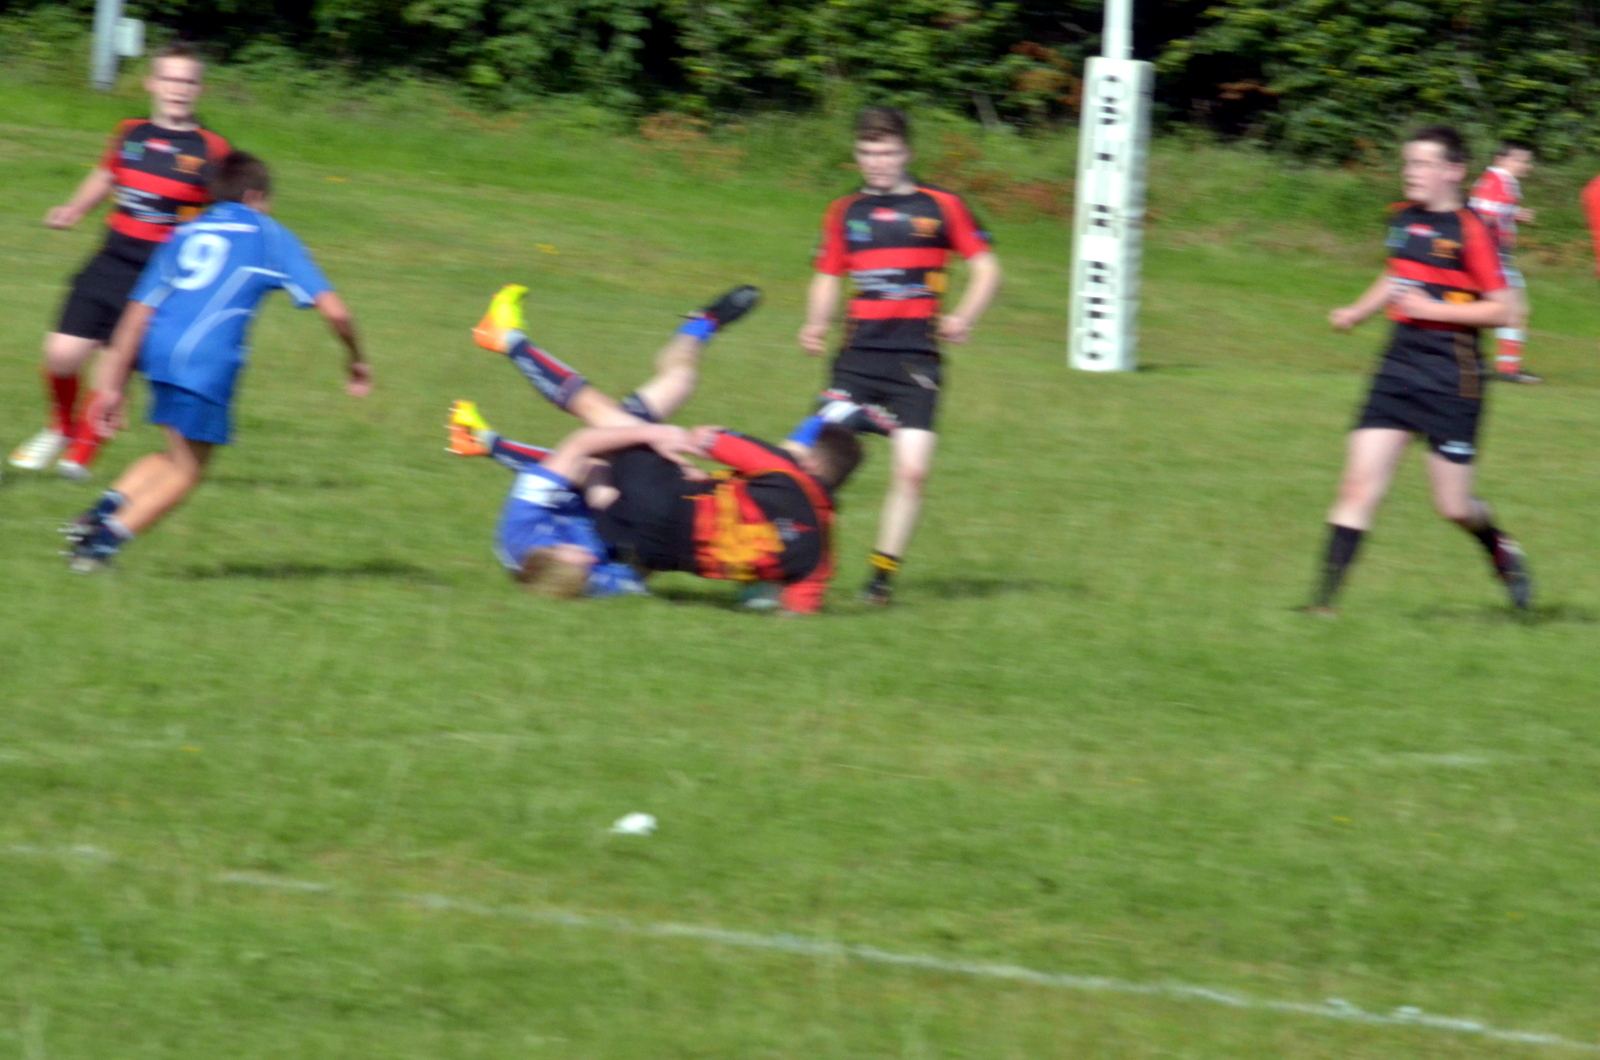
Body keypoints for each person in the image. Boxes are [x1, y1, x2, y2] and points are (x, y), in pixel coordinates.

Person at [452, 285, 863, 613]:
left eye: (580, 559)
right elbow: (643, 568)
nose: (590, 560)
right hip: (636, 505)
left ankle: (508, 347)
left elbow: (580, 452)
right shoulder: (590, 579)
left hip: (620, 495)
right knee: (675, 386)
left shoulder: (520, 531)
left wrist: (654, 439)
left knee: (605, 423)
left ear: (551, 552)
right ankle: (703, 327)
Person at [62, 151, 372, 571]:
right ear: (255, 196)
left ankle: (96, 517)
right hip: (203, 360)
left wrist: (113, 385)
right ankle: (98, 548)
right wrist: (356, 358)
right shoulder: (268, 233)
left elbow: (136, 313)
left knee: (174, 453)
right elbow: (337, 313)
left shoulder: (184, 232)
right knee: (187, 472)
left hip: (158, 350)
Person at [1309, 125, 1530, 614]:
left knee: (1453, 506)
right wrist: (1357, 312)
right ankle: (1322, 607)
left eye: (1425, 164)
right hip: (1399, 362)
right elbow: (1397, 273)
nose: (1412, 172)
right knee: (1358, 484)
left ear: (1454, 171)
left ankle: (1497, 545)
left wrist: (1433, 309)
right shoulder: (1403, 217)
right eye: (1410, 163)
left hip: (1453, 372)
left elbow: (1505, 310)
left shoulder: (1472, 230)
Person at [798, 105, 1001, 606]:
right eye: (867, 152)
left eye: (886, 152)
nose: (877, 162)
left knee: (912, 472)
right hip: (856, 360)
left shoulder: (942, 206)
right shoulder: (844, 211)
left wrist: (965, 316)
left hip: (916, 362)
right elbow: (827, 275)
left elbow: (987, 269)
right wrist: (816, 322)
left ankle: (880, 580)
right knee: (812, 464)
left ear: (906, 152)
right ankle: (789, 564)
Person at [11, 43, 231, 479]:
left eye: (188, 81)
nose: (178, 89)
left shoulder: (212, 149)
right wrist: (75, 208)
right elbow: (107, 174)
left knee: (114, 363)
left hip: (159, 277)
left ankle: (85, 447)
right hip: (110, 261)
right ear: (152, 83)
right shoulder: (130, 132)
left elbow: (226, 210)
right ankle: (60, 427)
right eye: (169, 79)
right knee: (61, 354)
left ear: (200, 89)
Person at [1468, 141, 1540, 383]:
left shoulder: (1496, 180)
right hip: (1493, 257)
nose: (1525, 166)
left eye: (1526, 161)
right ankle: (1505, 369)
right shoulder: (1499, 182)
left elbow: (1489, 211)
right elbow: (1483, 218)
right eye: (1519, 160)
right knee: (1513, 309)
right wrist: (1484, 254)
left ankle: (1505, 367)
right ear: (1501, 160)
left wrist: (1515, 215)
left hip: (1495, 256)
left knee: (1510, 309)